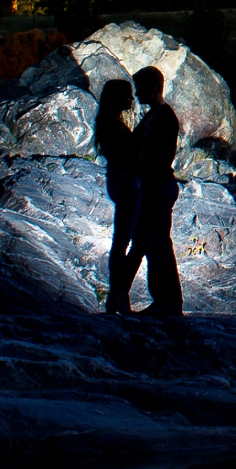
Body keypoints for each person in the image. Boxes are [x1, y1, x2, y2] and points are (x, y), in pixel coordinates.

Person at [108, 65, 186, 319]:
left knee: (159, 244)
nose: (137, 95)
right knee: (151, 244)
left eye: (140, 90)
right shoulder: (159, 115)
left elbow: (155, 157)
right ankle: (161, 300)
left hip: (157, 187)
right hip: (155, 186)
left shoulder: (162, 118)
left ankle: (169, 302)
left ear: (153, 89)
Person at [92, 77, 145, 316]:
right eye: (127, 95)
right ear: (118, 98)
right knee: (129, 242)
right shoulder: (115, 127)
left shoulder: (107, 123)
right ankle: (118, 295)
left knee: (126, 242)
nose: (131, 100)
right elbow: (132, 159)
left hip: (118, 181)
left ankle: (117, 295)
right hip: (128, 184)